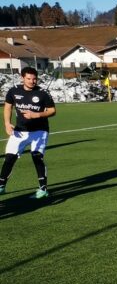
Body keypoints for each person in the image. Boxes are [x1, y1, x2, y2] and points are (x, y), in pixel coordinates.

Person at [0, 67, 56, 199]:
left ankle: (43, 189)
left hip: (39, 131)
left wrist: (37, 114)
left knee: (37, 156)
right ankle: (1, 186)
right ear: (22, 78)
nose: (32, 81)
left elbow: (52, 111)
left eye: (34, 79)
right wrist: (7, 124)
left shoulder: (43, 93)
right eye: (29, 79)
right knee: (9, 158)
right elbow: (8, 107)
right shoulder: (14, 91)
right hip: (20, 131)